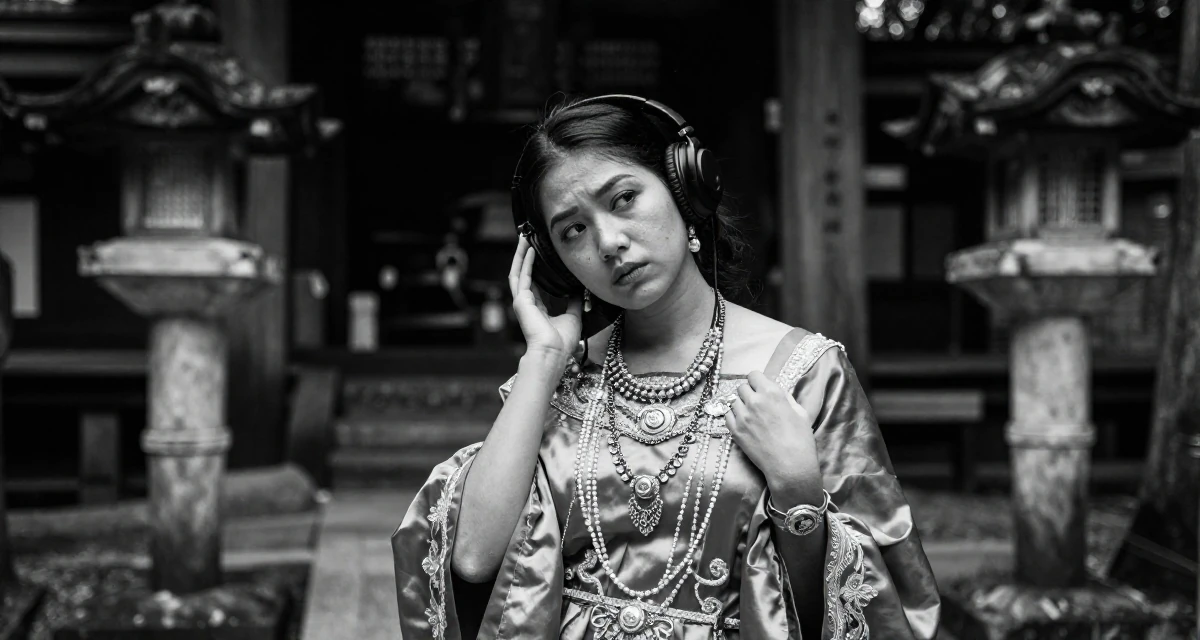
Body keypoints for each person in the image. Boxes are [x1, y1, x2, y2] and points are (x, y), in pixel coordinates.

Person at [392, 95, 941, 639]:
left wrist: (797, 489)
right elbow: (471, 560)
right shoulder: (556, 382)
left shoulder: (804, 374)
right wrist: (542, 359)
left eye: (625, 198)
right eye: (572, 231)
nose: (609, 242)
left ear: (685, 187)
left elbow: (874, 609)